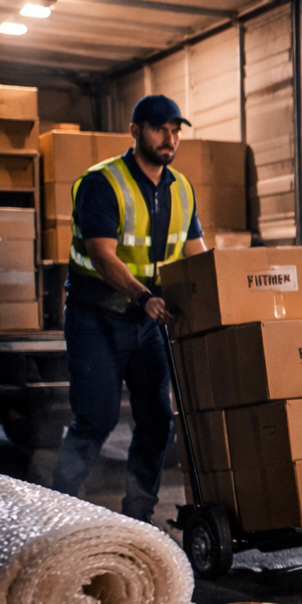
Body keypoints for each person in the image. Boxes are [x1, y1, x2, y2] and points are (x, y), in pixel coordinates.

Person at [51, 95, 206, 523]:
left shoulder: (182, 188)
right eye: (161, 129)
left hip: (147, 323)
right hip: (96, 317)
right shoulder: (102, 182)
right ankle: (56, 510)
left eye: (176, 131)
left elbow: (198, 255)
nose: (170, 139)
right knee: (95, 420)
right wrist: (143, 295)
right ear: (135, 131)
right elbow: (102, 256)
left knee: (157, 421)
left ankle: (139, 516)